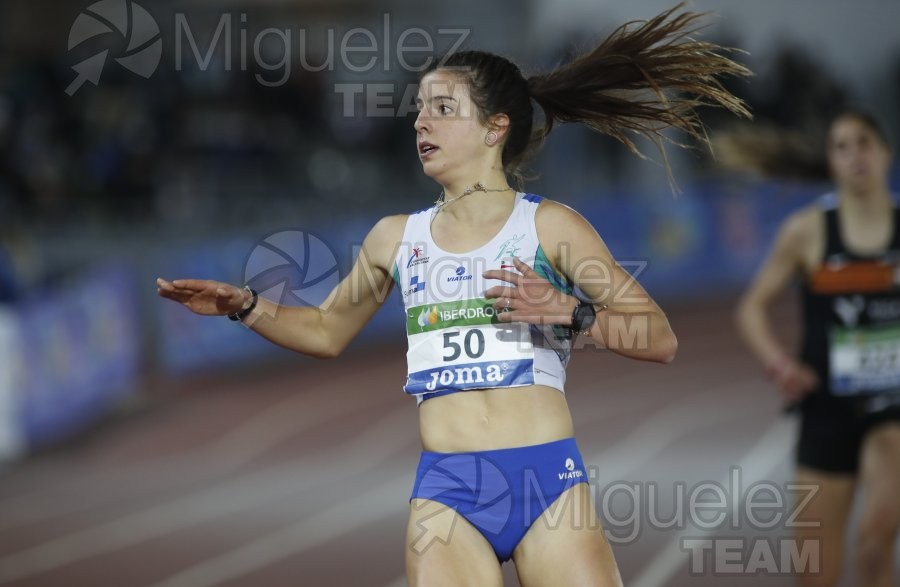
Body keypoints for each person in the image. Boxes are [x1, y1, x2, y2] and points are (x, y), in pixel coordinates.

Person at [158, 5, 750, 585]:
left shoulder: (549, 227)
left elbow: (661, 339)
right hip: (448, 493)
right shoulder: (395, 237)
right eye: (419, 110)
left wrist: (569, 311)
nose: (421, 123)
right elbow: (324, 331)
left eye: (442, 109)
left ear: (495, 128)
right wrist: (245, 306)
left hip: (545, 480)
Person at [736, 111, 900, 587]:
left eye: (865, 142)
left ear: (886, 151)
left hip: (893, 410)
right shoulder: (806, 232)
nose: (855, 155)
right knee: (815, 574)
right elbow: (751, 308)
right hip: (825, 410)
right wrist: (779, 364)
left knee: (874, 542)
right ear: (830, 161)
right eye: (842, 146)